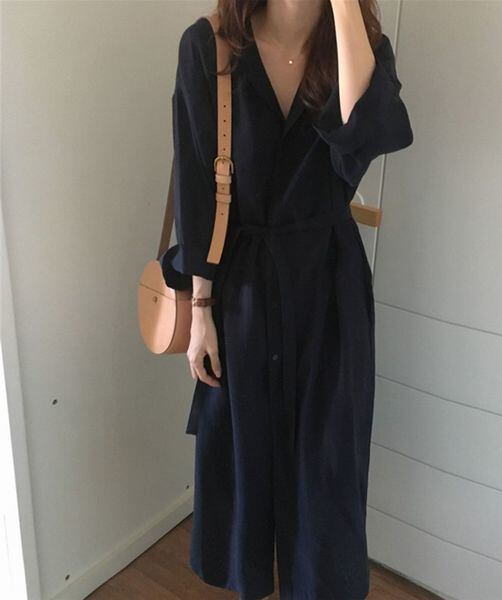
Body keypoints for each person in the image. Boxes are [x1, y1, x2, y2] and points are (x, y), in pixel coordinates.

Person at [160, 1, 413, 598]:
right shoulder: (210, 47)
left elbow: (371, 131)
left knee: (327, 464)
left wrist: (345, 8)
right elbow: (196, 187)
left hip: (329, 289)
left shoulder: (360, 48)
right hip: (239, 290)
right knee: (246, 459)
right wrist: (201, 310)